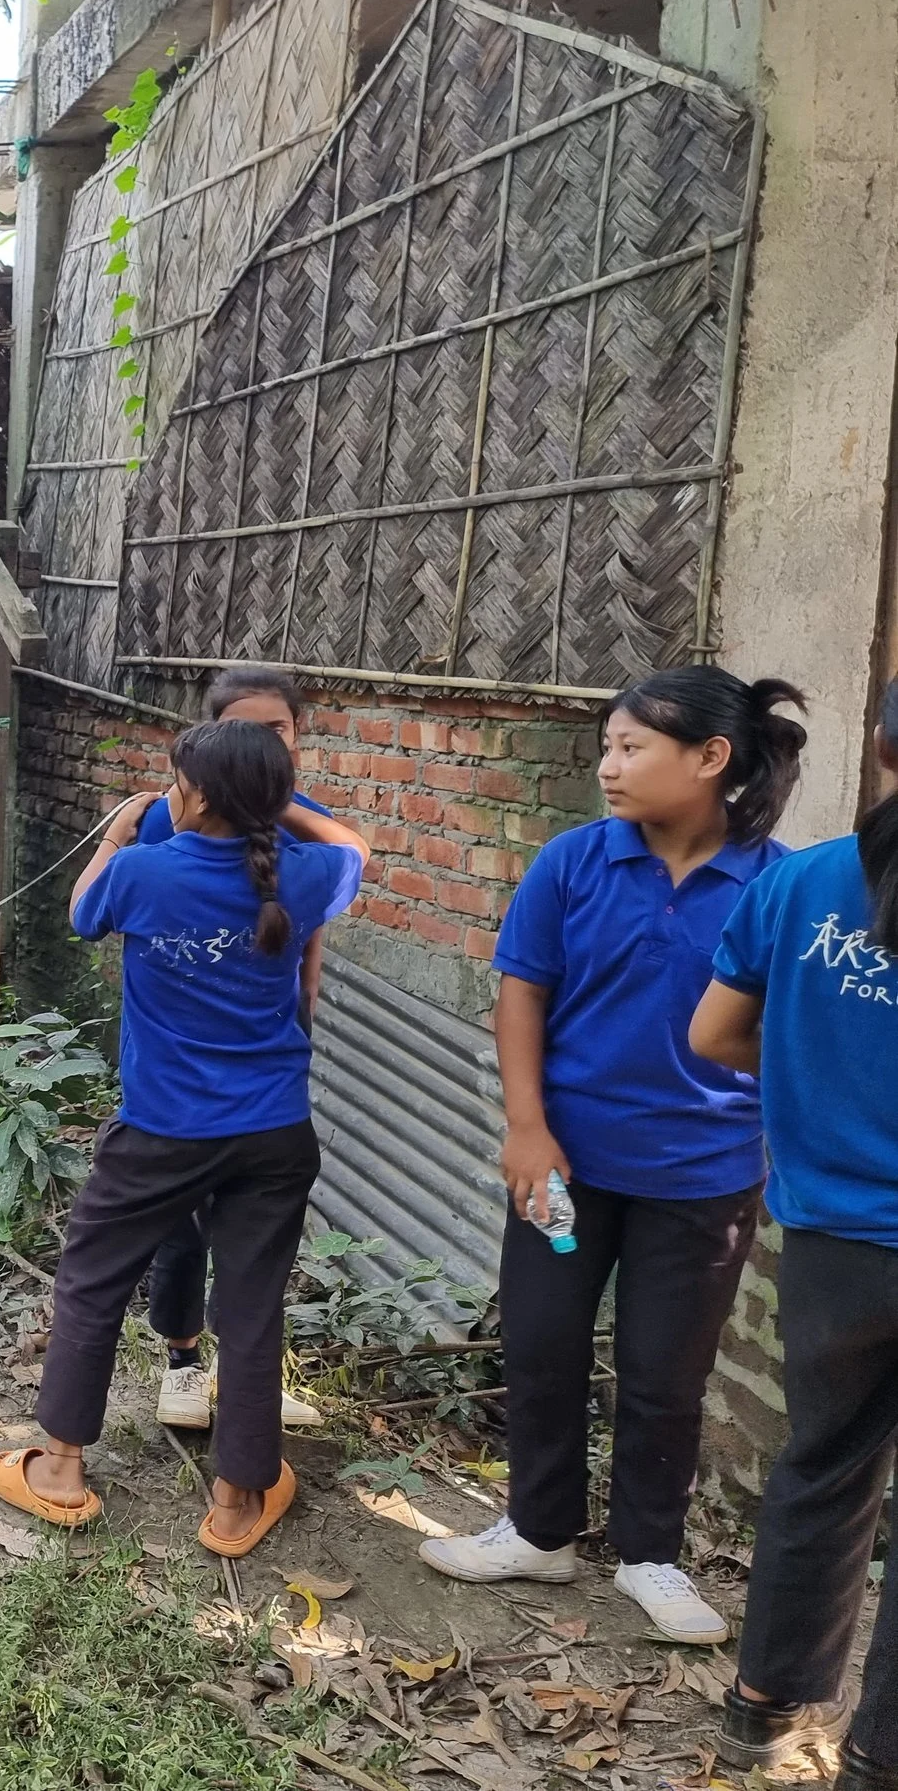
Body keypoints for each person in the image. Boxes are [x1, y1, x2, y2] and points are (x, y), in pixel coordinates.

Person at [417, 668, 806, 1645]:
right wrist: (524, 1125)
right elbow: (521, 994)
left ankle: (649, 1555)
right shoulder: (574, 863)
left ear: (710, 758)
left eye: (632, 747)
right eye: (606, 747)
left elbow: (790, 1027)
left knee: (664, 1373)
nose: (609, 766)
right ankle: (539, 1529)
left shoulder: (775, 884)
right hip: (563, 1172)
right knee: (543, 1343)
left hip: (703, 1180)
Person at [0, 718, 369, 1555]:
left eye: (179, 781)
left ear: (190, 795)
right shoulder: (301, 874)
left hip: (162, 1130)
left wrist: (124, 825)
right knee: (253, 1305)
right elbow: (356, 849)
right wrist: (286, 807)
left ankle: (59, 1472)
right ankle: (236, 1504)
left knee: (91, 1278)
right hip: (273, 1132)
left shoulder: (140, 869)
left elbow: (82, 909)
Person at [693, 680, 898, 1784]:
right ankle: (877, 1754)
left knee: (822, 1464)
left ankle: (763, 1708)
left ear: (877, 744)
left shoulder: (806, 884)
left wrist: (811, 1093)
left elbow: (715, 1033)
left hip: (828, 1238)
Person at [135, 666, 334, 1434]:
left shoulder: (305, 828)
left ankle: (246, 1374)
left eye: (277, 729)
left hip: (269, 1049)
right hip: (182, 1063)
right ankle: (184, 1363)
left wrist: (304, 1019)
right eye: (245, 727)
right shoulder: (168, 824)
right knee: (181, 1217)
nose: (263, 741)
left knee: (254, 1229)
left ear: (297, 738)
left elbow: (312, 936)